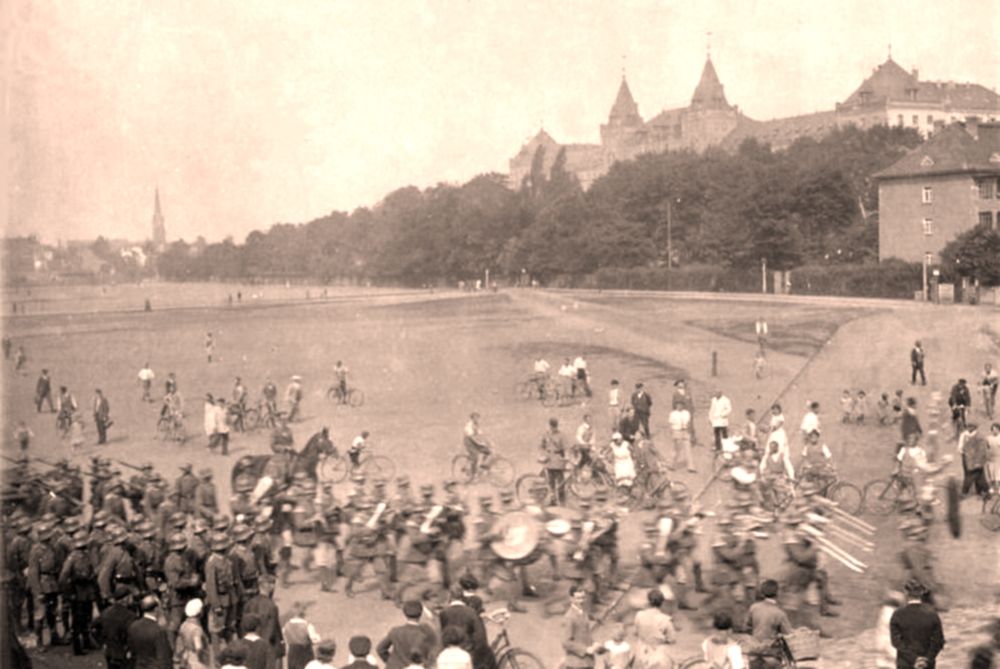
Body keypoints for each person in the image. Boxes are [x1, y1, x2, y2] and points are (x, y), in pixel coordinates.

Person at [890, 578, 945, 669]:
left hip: (906, 664)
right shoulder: (932, 614)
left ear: (906, 593)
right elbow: (939, 641)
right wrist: (926, 659)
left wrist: (914, 659)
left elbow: (896, 642)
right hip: (927, 665)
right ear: (922, 593)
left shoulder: (898, 614)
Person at [377, 600, 439, 669]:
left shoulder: (396, 631)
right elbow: (434, 651)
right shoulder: (427, 631)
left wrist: (391, 661)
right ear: (421, 613)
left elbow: (380, 649)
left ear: (404, 613)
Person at [93, 586, 138, 669]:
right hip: (124, 654)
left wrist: (101, 642)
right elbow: (133, 636)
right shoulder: (130, 616)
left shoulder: (105, 612)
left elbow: (94, 629)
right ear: (126, 599)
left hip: (110, 651)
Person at [745, 579, 792, 657]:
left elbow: (747, 627)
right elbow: (788, 635)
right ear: (777, 593)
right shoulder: (779, 613)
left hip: (754, 653)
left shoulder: (753, 608)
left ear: (762, 592)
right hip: (771, 655)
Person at [633, 588, 676, 669]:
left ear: (648, 601)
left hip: (641, 653)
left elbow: (636, 632)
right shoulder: (665, 620)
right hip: (658, 654)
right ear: (662, 603)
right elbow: (672, 639)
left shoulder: (639, 615)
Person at [127, 595, 173, 669]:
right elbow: (164, 658)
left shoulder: (133, 626)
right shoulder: (158, 631)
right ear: (156, 609)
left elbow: (132, 652)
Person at [562, 584, 599, 669]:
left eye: (583, 598)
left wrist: (594, 644)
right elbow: (566, 642)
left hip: (587, 663)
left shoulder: (583, 613)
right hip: (575, 664)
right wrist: (585, 650)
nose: (581, 601)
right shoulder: (569, 617)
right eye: (578, 598)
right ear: (571, 599)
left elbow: (585, 634)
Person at [176, 599, 213, 669]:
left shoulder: (183, 625)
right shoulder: (196, 629)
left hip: (187, 658)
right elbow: (198, 647)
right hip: (197, 663)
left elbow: (179, 646)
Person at [283, 602, 321, 669]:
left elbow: (284, 638)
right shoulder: (307, 626)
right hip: (305, 653)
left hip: (292, 652)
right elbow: (315, 640)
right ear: (304, 614)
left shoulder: (286, 626)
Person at [540, 417, 568, 506]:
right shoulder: (546, 434)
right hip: (549, 459)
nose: (553, 428)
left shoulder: (561, 435)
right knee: (551, 480)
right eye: (552, 426)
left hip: (558, 459)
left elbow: (565, 448)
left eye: (554, 426)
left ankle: (562, 500)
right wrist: (543, 454)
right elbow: (542, 445)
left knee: (560, 481)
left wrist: (566, 458)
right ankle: (553, 500)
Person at [959, 423, 990, 500]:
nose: (968, 427)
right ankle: (985, 491)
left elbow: (983, 450)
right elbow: (961, 447)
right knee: (978, 476)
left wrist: (979, 461)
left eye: (970, 426)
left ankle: (964, 492)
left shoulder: (980, 437)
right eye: (967, 426)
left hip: (977, 460)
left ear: (975, 427)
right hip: (967, 459)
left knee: (972, 477)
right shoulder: (964, 435)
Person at [668, 401, 695, 472]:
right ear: (676, 406)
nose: (679, 406)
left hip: (685, 431)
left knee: (688, 449)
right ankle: (671, 465)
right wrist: (672, 434)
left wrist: (690, 432)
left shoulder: (686, 413)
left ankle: (691, 467)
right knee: (676, 450)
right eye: (678, 405)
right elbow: (670, 425)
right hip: (677, 431)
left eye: (681, 405)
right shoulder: (673, 414)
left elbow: (689, 423)